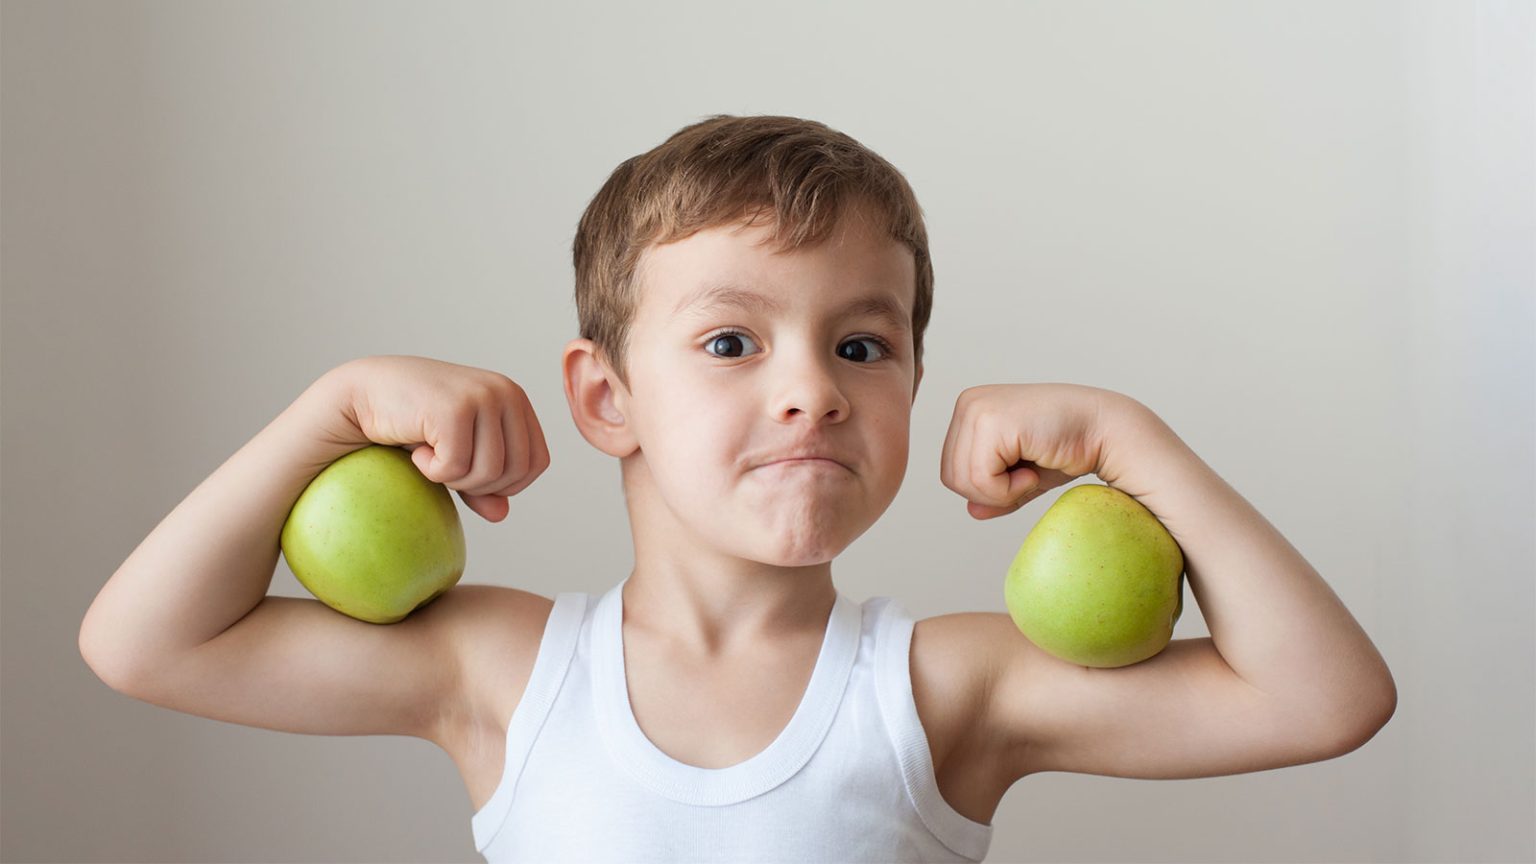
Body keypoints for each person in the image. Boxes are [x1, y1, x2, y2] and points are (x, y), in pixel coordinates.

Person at [78, 114, 1397, 863]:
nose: (812, 390)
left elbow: (1326, 699)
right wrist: (332, 409)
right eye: (730, 342)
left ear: (915, 382)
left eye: (862, 346)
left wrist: (1130, 441)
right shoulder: (506, 671)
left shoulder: (942, 689)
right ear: (607, 397)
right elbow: (144, 643)